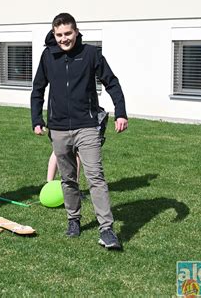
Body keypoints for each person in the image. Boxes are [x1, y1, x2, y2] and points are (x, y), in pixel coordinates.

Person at [31, 13, 128, 249]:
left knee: (95, 176)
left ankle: (106, 229)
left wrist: (121, 112)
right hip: (59, 127)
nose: (64, 39)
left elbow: (111, 82)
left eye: (68, 33)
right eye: (59, 35)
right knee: (68, 179)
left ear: (76, 32)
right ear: (54, 35)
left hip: (87, 125)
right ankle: (73, 219)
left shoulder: (90, 54)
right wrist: (36, 119)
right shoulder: (48, 56)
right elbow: (38, 89)